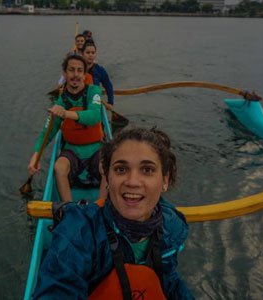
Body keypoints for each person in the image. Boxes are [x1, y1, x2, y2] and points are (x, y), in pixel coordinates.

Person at [33, 126, 194, 299]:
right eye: (121, 169)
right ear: (107, 178)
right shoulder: (80, 231)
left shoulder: (171, 226)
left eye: (147, 170)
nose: (132, 182)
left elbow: (168, 278)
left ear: (165, 180)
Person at [28, 54, 105, 203]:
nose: (75, 74)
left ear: (84, 74)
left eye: (79, 70)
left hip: (96, 148)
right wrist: (36, 156)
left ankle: (101, 206)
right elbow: (47, 132)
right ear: (65, 73)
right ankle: (69, 208)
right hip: (73, 150)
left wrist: (65, 114)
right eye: (71, 70)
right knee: (59, 167)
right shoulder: (60, 102)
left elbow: (94, 116)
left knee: (108, 166)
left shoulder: (94, 91)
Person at [82, 40, 115, 108]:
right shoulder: (78, 69)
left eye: (93, 53)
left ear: (95, 54)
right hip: (79, 101)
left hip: (94, 102)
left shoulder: (100, 70)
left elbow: (108, 86)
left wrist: (110, 102)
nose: (90, 55)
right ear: (82, 54)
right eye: (87, 53)